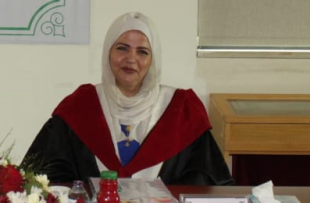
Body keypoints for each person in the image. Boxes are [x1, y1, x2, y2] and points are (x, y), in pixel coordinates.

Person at [24, 12, 232, 185]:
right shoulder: (79, 107)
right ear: (108, 52)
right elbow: (44, 178)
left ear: (153, 60)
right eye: (122, 48)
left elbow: (205, 184)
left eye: (142, 52)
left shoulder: (182, 111)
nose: (131, 59)